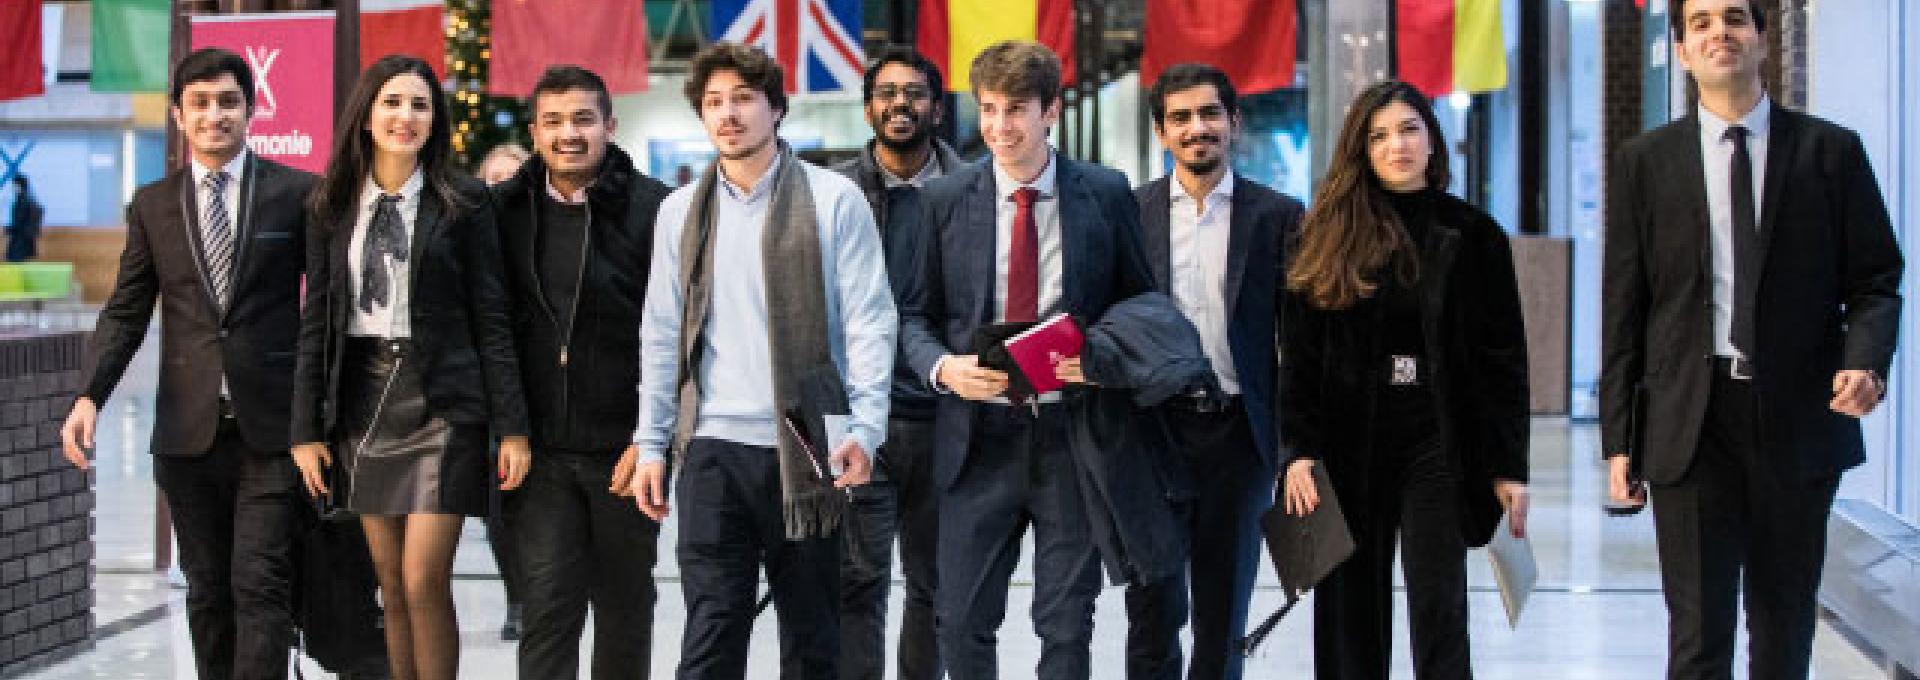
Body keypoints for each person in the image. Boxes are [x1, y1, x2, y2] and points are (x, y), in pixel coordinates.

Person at [1600, 1, 1904, 678]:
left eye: (1736, 18)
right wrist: (1619, 438)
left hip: (1797, 418)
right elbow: (1625, 307)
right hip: (1690, 421)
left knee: (1783, 628)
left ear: (1764, 41)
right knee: (1697, 637)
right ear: (1683, 52)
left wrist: (1865, 362)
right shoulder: (1645, 162)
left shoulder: (1831, 153)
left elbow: (1877, 279)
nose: (1720, 33)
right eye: (1701, 22)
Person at [627, 42, 895, 680]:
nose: (728, 114)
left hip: (807, 447)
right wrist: (651, 443)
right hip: (712, 451)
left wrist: (865, 430)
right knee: (710, 637)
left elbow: (870, 322)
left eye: (744, 99)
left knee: (813, 639)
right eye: (714, 102)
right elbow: (661, 333)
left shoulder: (834, 200)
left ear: (776, 109)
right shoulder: (679, 213)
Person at [897, 39, 1156, 680]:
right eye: (988, 108)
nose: (999, 126)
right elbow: (911, 318)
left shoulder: (1105, 193)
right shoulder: (943, 199)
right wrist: (943, 368)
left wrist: (1102, 356)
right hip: (976, 439)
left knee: (1066, 627)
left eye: (1015, 109)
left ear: (1051, 111)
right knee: (960, 622)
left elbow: (1143, 302)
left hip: (1072, 438)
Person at [57, 48, 317, 680]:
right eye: (199, 103)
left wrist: (321, 418)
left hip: (272, 428)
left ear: (251, 110)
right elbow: (126, 310)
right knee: (207, 589)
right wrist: (90, 394)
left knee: (260, 582)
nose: (214, 115)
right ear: (177, 115)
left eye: (228, 102)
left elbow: (325, 311)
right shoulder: (152, 206)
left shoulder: (297, 194)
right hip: (187, 434)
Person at [1277, 80, 1530, 680]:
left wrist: (1509, 466)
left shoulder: (1475, 234)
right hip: (1346, 441)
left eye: (1410, 129)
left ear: (1432, 139)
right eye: (1379, 135)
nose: (1398, 146)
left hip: (1438, 439)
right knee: (1349, 607)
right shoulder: (1325, 234)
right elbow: (1300, 356)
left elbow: (1503, 360)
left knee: (1438, 600)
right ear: (1361, 149)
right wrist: (1298, 452)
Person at [289, 55, 531, 680]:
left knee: (424, 577)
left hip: (442, 403)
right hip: (362, 402)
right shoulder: (330, 204)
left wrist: (511, 427)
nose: (406, 116)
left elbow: (492, 319)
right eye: (392, 103)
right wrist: (305, 430)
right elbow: (316, 322)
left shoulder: (464, 201)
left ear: (435, 119)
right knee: (390, 582)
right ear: (367, 115)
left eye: (420, 105)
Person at [492, 64, 670, 680]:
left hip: (624, 450)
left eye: (582, 119)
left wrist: (651, 438)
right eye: (553, 121)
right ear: (535, 132)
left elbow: (673, 335)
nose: (569, 133)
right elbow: (494, 328)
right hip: (538, 452)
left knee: (625, 608)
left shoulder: (655, 209)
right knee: (546, 609)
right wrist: (511, 428)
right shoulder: (503, 210)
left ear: (609, 126)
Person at [1127, 63, 1303, 680]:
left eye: (1209, 114)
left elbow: (1298, 340)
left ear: (1234, 122)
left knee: (1223, 614)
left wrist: (1296, 448)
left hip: (1238, 437)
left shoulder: (1278, 216)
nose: (1196, 128)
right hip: (1152, 435)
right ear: (1161, 131)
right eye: (1180, 117)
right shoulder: (1131, 212)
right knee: (1152, 609)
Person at [828, 44, 964, 680]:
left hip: (945, 416)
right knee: (856, 581)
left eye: (914, 93)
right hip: (857, 419)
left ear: (936, 108)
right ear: (868, 110)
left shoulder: (972, 190)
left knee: (935, 585)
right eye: (886, 93)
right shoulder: (834, 193)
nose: (900, 104)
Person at [471, 140, 532, 641]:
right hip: (489, 398)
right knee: (500, 510)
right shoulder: (468, 242)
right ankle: (518, 597)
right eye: (494, 180)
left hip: (544, 392)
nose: (502, 189)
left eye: (512, 179)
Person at [7, 174, 41, 261]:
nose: (13, 188)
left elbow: (20, 220)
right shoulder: (29, 199)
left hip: (21, 239)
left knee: (14, 261)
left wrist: (10, 229)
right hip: (24, 238)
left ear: (19, 186)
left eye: (15, 185)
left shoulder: (23, 201)